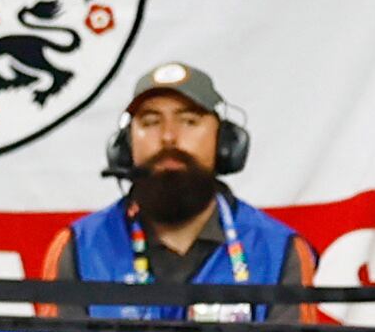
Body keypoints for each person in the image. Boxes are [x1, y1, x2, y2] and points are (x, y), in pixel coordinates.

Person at [53, 59, 308, 314]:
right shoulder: (80, 247)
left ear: (224, 142)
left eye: (189, 121)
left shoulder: (277, 250)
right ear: (125, 146)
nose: (168, 137)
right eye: (151, 122)